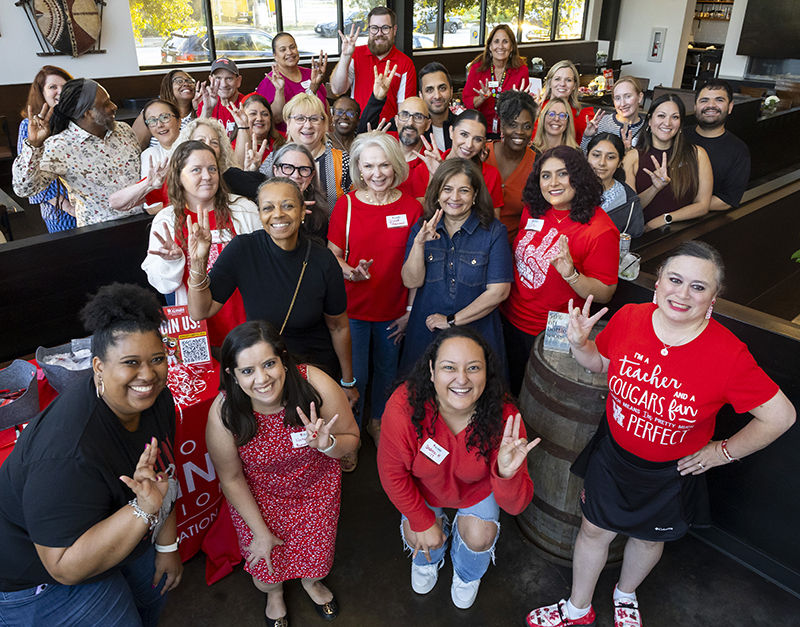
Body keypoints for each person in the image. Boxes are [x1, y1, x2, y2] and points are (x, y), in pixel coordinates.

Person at [525, 241, 796, 627]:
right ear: (658, 284)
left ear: (713, 298)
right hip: (614, 454)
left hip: (670, 472)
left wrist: (722, 452)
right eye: (675, 279)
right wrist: (580, 345)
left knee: (650, 539)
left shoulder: (729, 354)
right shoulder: (631, 317)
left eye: (699, 287)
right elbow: (600, 365)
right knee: (592, 530)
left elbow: (780, 416)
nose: (683, 294)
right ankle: (577, 608)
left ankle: (625, 595)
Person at [0, 282, 182, 626]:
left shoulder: (158, 400)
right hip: (37, 577)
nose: (148, 374)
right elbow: (64, 567)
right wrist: (143, 508)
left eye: (157, 359)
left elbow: (163, 475)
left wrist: (168, 546)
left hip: (117, 521)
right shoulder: (65, 454)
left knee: (152, 597)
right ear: (98, 367)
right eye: (131, 363)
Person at [206, 320, 360, 626]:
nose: (262, 379)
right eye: (247, 371)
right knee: (266, 568)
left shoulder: (314, 383)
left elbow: (352, 439)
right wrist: (260, 531)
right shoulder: (225, 412)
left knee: (317, 561)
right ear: (232, 376)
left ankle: (310, 584)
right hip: (258, 497)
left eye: (269, 364)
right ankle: (274, 594)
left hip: (316, 491)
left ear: (284, 360)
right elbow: (231, 478)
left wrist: (327, 444)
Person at [378, 327, 537, 610]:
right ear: (431, 369)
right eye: (449, 367)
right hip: (423, 489)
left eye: (473, 368)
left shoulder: (506, 418)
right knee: (417, 532)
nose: (462, 379)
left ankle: (466, 574)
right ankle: (431, 558)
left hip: (476, 491)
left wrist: (506, 474)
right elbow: (392, 473)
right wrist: (423, 521)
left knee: (480, 537)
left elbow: (516, 506)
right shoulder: (403, 406)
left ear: (486, 372)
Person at [186, 177, 359, 408]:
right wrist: (198, 263)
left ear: (302, 211)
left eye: (287, 205)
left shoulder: (323, 260)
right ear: (259, 214)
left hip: (312, 369)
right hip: (264, 370)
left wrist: (347, 381)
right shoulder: (242, 250)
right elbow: (200, 311)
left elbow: (338, 326)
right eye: (268, 207)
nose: (278, 214)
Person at [327, 132, 423, 466]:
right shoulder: (347, 204)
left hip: (394, 311)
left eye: (384, 165)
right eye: (368, 166)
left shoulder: (412, 208)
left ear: (396, 166)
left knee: (387, 373)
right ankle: (349, 432)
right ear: (358, 169)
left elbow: (417, 264)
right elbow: (333, 254)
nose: (377, 173)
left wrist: (410, 311)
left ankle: (377, 422)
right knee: (355, 376)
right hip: (352, 312)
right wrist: (350, 271)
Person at [500, 146, 619, 396]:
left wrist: (571, 275)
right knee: (506, 385)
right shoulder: (534, 209)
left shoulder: (600, 230)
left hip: (551, 331)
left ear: (578, 177)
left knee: (537, 394)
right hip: (509, 317)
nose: (553, 183)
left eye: (562, 174)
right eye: (545, 175)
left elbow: (605, 292)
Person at [142, 140, 260, 347]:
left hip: (247, 322)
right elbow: (161, 283)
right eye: (196, 169)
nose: (207, 176)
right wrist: (173, 260)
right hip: (195, 328)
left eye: (212, 169)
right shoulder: (166, 220)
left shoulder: (244, 209)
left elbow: (264, 264)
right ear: (179, 176)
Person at [400, 159, 513, 376]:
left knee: (478, 396)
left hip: (478, 334)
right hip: (426, 333)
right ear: (437, 193)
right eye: (447, 189)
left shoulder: (493, 232)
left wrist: (451, 321)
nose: (454, 197)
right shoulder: (421, 228)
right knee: (421, 396)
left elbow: (499, 291)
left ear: (475, 196)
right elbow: (411, 281)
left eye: (464, 191)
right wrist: (419, 243)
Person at [13, 78, 143, 227]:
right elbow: (24, 189)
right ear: (87, 113)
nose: (114, 107)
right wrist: (34, 146)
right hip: (100, 230)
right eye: (105, 104)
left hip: (143, 220)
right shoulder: (60, 146)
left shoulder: (123, 130)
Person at [622, 94, 712, 231]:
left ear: (680, 124)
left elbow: (703, 206)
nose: (668, 123)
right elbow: (630, 209)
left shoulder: (698, 154)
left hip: (681, 233)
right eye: (661, 116)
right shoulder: (632, 157)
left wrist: (665, 218)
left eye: (674, 117)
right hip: (643, 235)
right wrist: (655, 188)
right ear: (650, 120)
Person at [260, 93, 352, 216]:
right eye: (300, 118)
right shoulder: (274, 159)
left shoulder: (343, 160)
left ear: (324, 124)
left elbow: (356, 202)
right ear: (288, 123)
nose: (308, 125)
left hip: (331, 232)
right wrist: (250, 170)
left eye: (314, 119)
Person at [16, 65, 76, 232]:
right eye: (53, 87)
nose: (60, 92)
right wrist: (69, 208)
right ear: (42, 93)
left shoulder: (80, 119)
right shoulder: (29, 125)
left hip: (91, 205)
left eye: (65, 87)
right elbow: (29, 171)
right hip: (59, 210)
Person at [330, 6, 416, 122]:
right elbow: (337, 89)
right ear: (369, 30)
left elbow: (404, 112)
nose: (379, 33)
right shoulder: (356, 55)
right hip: (358, 129)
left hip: (388, 133)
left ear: (394, 30)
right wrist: (345, 56)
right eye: (374, 28)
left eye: (385, 28)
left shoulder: (405, 63)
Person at [412, 110, 504, 217]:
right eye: (464, 135)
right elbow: (425, 214)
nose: (469, 145)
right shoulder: (422, 169)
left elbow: (494, 221)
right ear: (451, 132)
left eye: (477, 139)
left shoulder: (491, 174)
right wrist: (435, 175)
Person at [684, 78, 751, 212]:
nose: (711, 105)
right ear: (695, 106)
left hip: (703, 222)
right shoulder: (678, 136)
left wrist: (678, 209)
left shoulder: (738, 150)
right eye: (704, 100)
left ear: (730, 107)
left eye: (719, 100)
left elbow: (726, 200)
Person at [485, 89, 538, 246]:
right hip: (475, 242)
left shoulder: (537, 164)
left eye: (526, 126)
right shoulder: (483, 154)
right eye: (513, 125)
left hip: (515, 246)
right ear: (502, 125)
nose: (520, 132)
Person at [463, 24, 529, 137]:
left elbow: (524, 107)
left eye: (505, 42)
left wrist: (518, 101)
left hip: (509, 131)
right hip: (480, 129)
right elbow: (467, 102)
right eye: (496, 41)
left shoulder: (521, 69)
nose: (501, 46)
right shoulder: (477, 69)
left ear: (512, 47)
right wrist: (482, 98)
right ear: (490, 46)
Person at [257, 32, 328, 131]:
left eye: (292, 47)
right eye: (283, 50)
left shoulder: (311, 74)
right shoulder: (270, 82)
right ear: (275, 56)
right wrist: (280, 90)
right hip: (289, 142)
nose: (289, 52)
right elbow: (277, 119)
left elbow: (326, 107)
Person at [586, 133, 644, 237]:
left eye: (610, 157)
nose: (602, 162)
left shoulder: (629, 201)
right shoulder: (570, 191)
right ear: (587, 156)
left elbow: (633, 242)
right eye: (596, 155)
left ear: (620, 162)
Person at [132, 69, 199, 150]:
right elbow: (135, 148)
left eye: (190, 81)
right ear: (168, 87)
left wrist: (200, 108)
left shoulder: (200, 113)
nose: (186, 84)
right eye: (179, 81)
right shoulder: (151, 113)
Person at [580, 76, 646, 153]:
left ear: (640, 97)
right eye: (617, 98)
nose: (622, 103)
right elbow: (583, 158)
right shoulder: (601, 123)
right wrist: (587, 136)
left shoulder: (647, 129)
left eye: (628, 96)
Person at [537, 60, 593, 144]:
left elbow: (580, 150)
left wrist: (588, 136)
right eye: (557, 79)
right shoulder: (536, 108)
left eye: (568, 80)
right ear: (550, 82)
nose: (562, 84)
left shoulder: (580, 116)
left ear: (574, 85)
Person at [229, 93, 286, 169]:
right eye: (253, 114)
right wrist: (243, 126)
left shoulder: (285, 138)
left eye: (265, 114)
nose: (259, 118)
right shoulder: (234, 146)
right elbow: (239, 170)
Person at [198, 58, 246, 138]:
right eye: (218, 78)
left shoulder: (247, 103)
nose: (223, 84)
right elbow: (199, 136)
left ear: (238, 81)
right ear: (211, 80)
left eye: (229, 78)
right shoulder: (205, 105)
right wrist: (208, 109)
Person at [418, 62, 457, 151]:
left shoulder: (462, 127)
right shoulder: (414, 128)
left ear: (451, 91)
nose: (437, 96)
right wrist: (379, 99)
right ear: (421, 95)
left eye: (442, 88)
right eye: (429, 90)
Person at [139, 99, 182, 173]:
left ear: (179, 121)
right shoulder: (149, 155)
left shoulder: (195, 147)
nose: (159, 125)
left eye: (165, 117)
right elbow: (148, 184)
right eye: (152, 121)